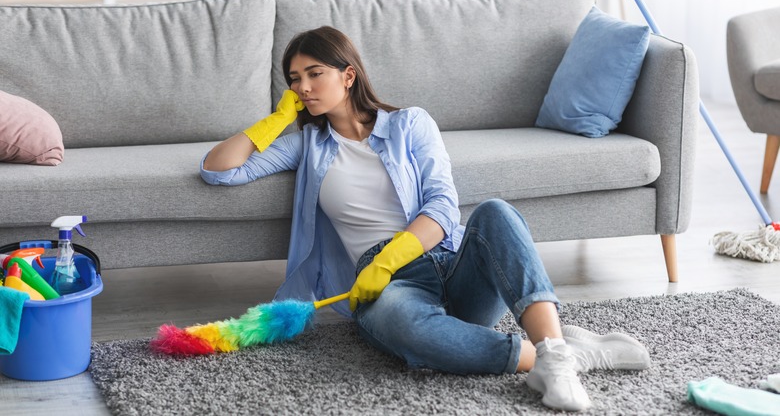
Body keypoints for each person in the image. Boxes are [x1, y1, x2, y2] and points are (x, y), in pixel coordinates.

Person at [201, 26, 650, 412]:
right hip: (390, 289)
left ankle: (553, 352)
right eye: (295, 80)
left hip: (446, 261)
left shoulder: (409, 123)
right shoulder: (307, 145)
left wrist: (389, 258)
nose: (304, 87)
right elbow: (218, 169)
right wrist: (277, 120)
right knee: (408, 330)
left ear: (348, 74)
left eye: (315, 73)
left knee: (496, 211)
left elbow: (441, 206)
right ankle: (555, 357)